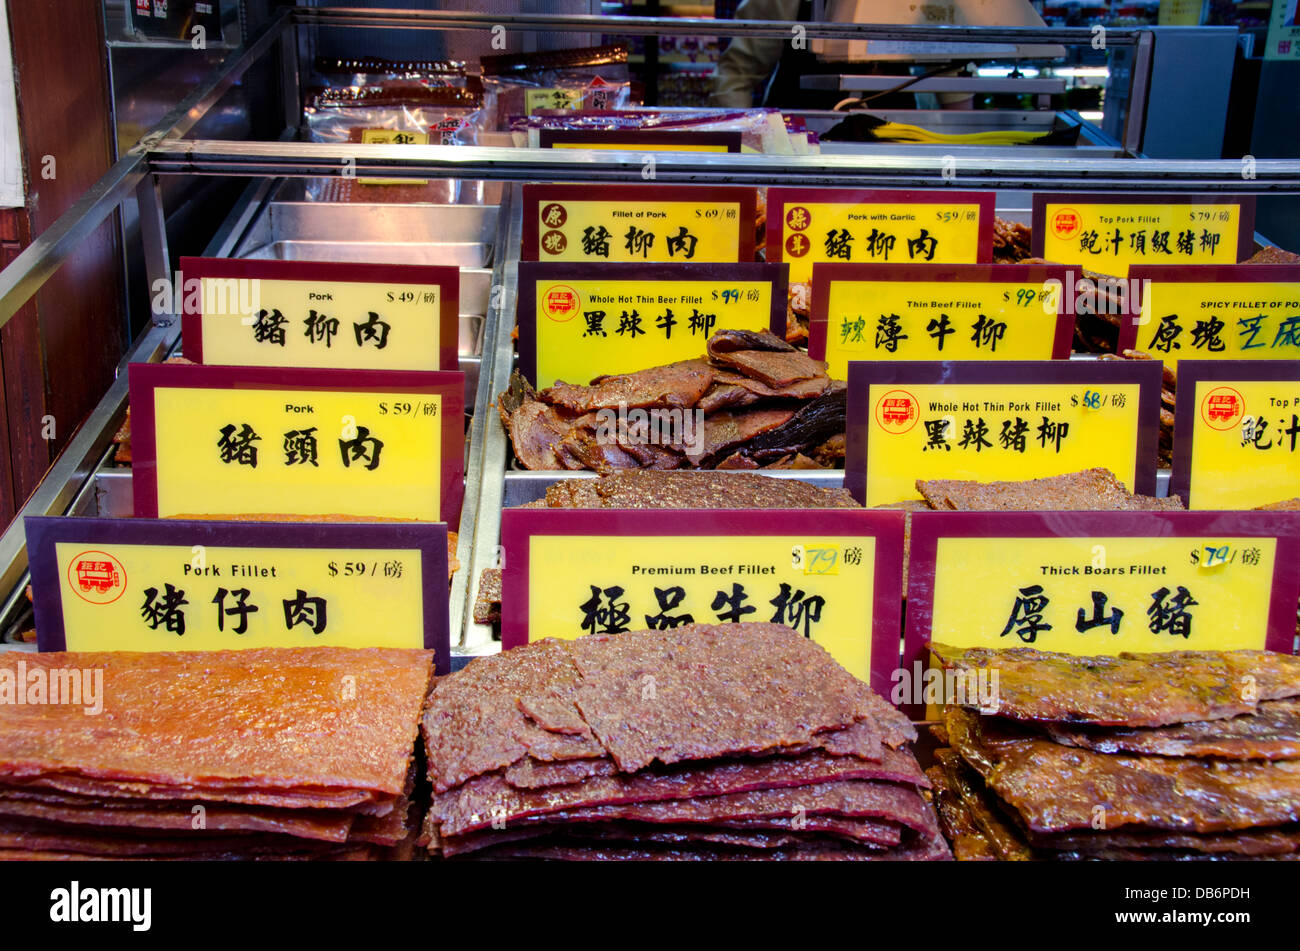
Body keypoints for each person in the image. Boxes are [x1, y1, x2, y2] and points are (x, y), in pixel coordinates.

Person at [710, 0, 1061, 110]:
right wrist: (746, 158)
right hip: (801, 129)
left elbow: (948, 58)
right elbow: (739, 72)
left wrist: (961, 147)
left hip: (897, 130)